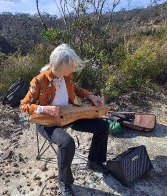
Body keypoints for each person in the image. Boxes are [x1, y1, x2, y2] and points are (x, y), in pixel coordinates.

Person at [20, 44, 109, 196]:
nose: (72, 70)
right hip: (46, 120)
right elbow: (24, 106)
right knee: (67, 142)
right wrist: (44, 108)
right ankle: (64, 182)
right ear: (60, 65)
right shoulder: (39, 81)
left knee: (103, 126)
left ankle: (94, 162)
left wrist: (90, 96)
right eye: (70, 66)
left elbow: (75, 89)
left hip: (68, 114)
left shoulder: (66, 76)